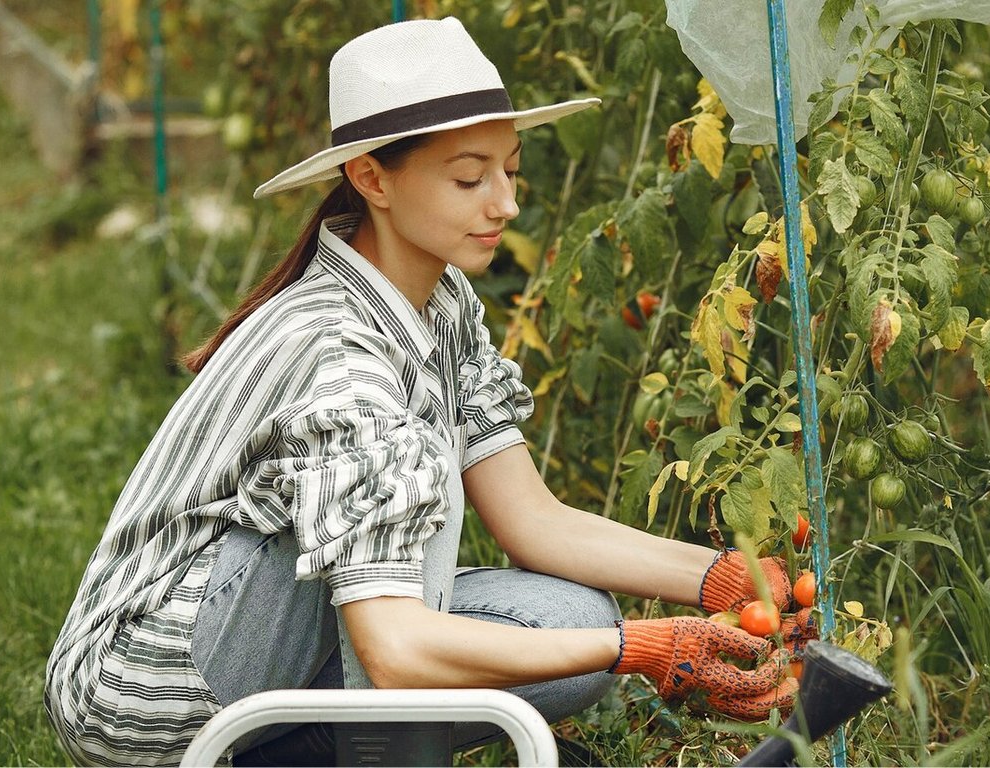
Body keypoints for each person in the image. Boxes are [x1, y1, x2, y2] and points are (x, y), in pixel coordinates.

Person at [45, 17, 811, 767]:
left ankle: (292, 755)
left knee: (571, 628)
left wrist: (717, 578)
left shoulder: (440, 304)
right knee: (436, 495)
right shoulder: (336, 352)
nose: (505, 202)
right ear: (371, 177)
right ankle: (347, 754)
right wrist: (642, 651)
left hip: (260, 636)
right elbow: (397, 648)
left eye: (511, 169)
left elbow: (532, 519)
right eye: (470, 177)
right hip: (144, 688)